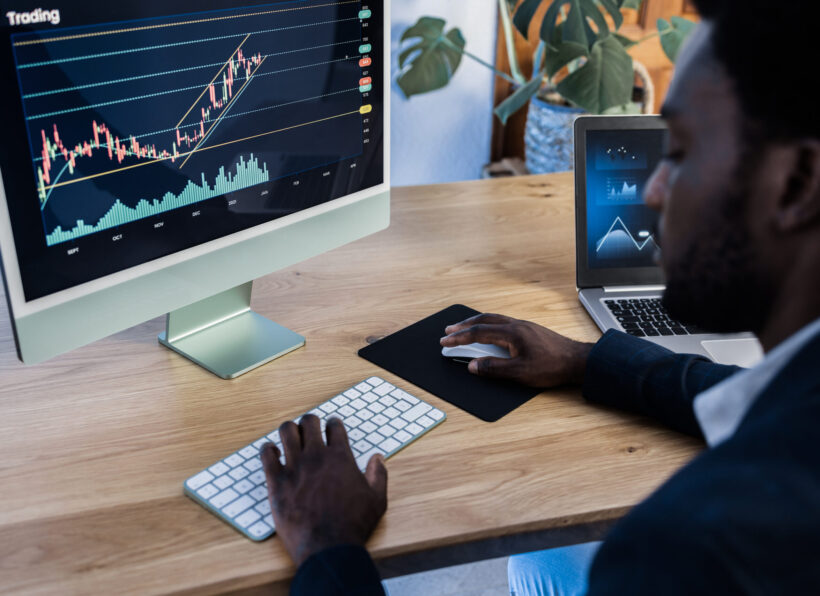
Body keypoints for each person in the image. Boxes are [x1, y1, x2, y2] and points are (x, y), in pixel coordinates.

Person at [260, 0, 820, 593]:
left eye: (679, 152)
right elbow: (749, 399)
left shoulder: (690, 551)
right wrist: (585, 360)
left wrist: (330, 549)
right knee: (541, 564)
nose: (653, 191)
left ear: (798, 184)